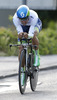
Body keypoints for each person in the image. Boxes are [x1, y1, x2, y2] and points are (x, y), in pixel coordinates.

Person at [13, 5, 42, 85]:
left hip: (34, 26)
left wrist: (29, 35)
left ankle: (36, 54)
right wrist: (21, 36)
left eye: (25, 19)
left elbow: (31, 33)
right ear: (18, 18)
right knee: (21, 48)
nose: (24, 21)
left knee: (34, 35)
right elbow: (19, 32)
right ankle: (22, 70)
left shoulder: (34, 16)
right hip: (23, 28)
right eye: (22, 20)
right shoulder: (15, 19)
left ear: (28, 16)